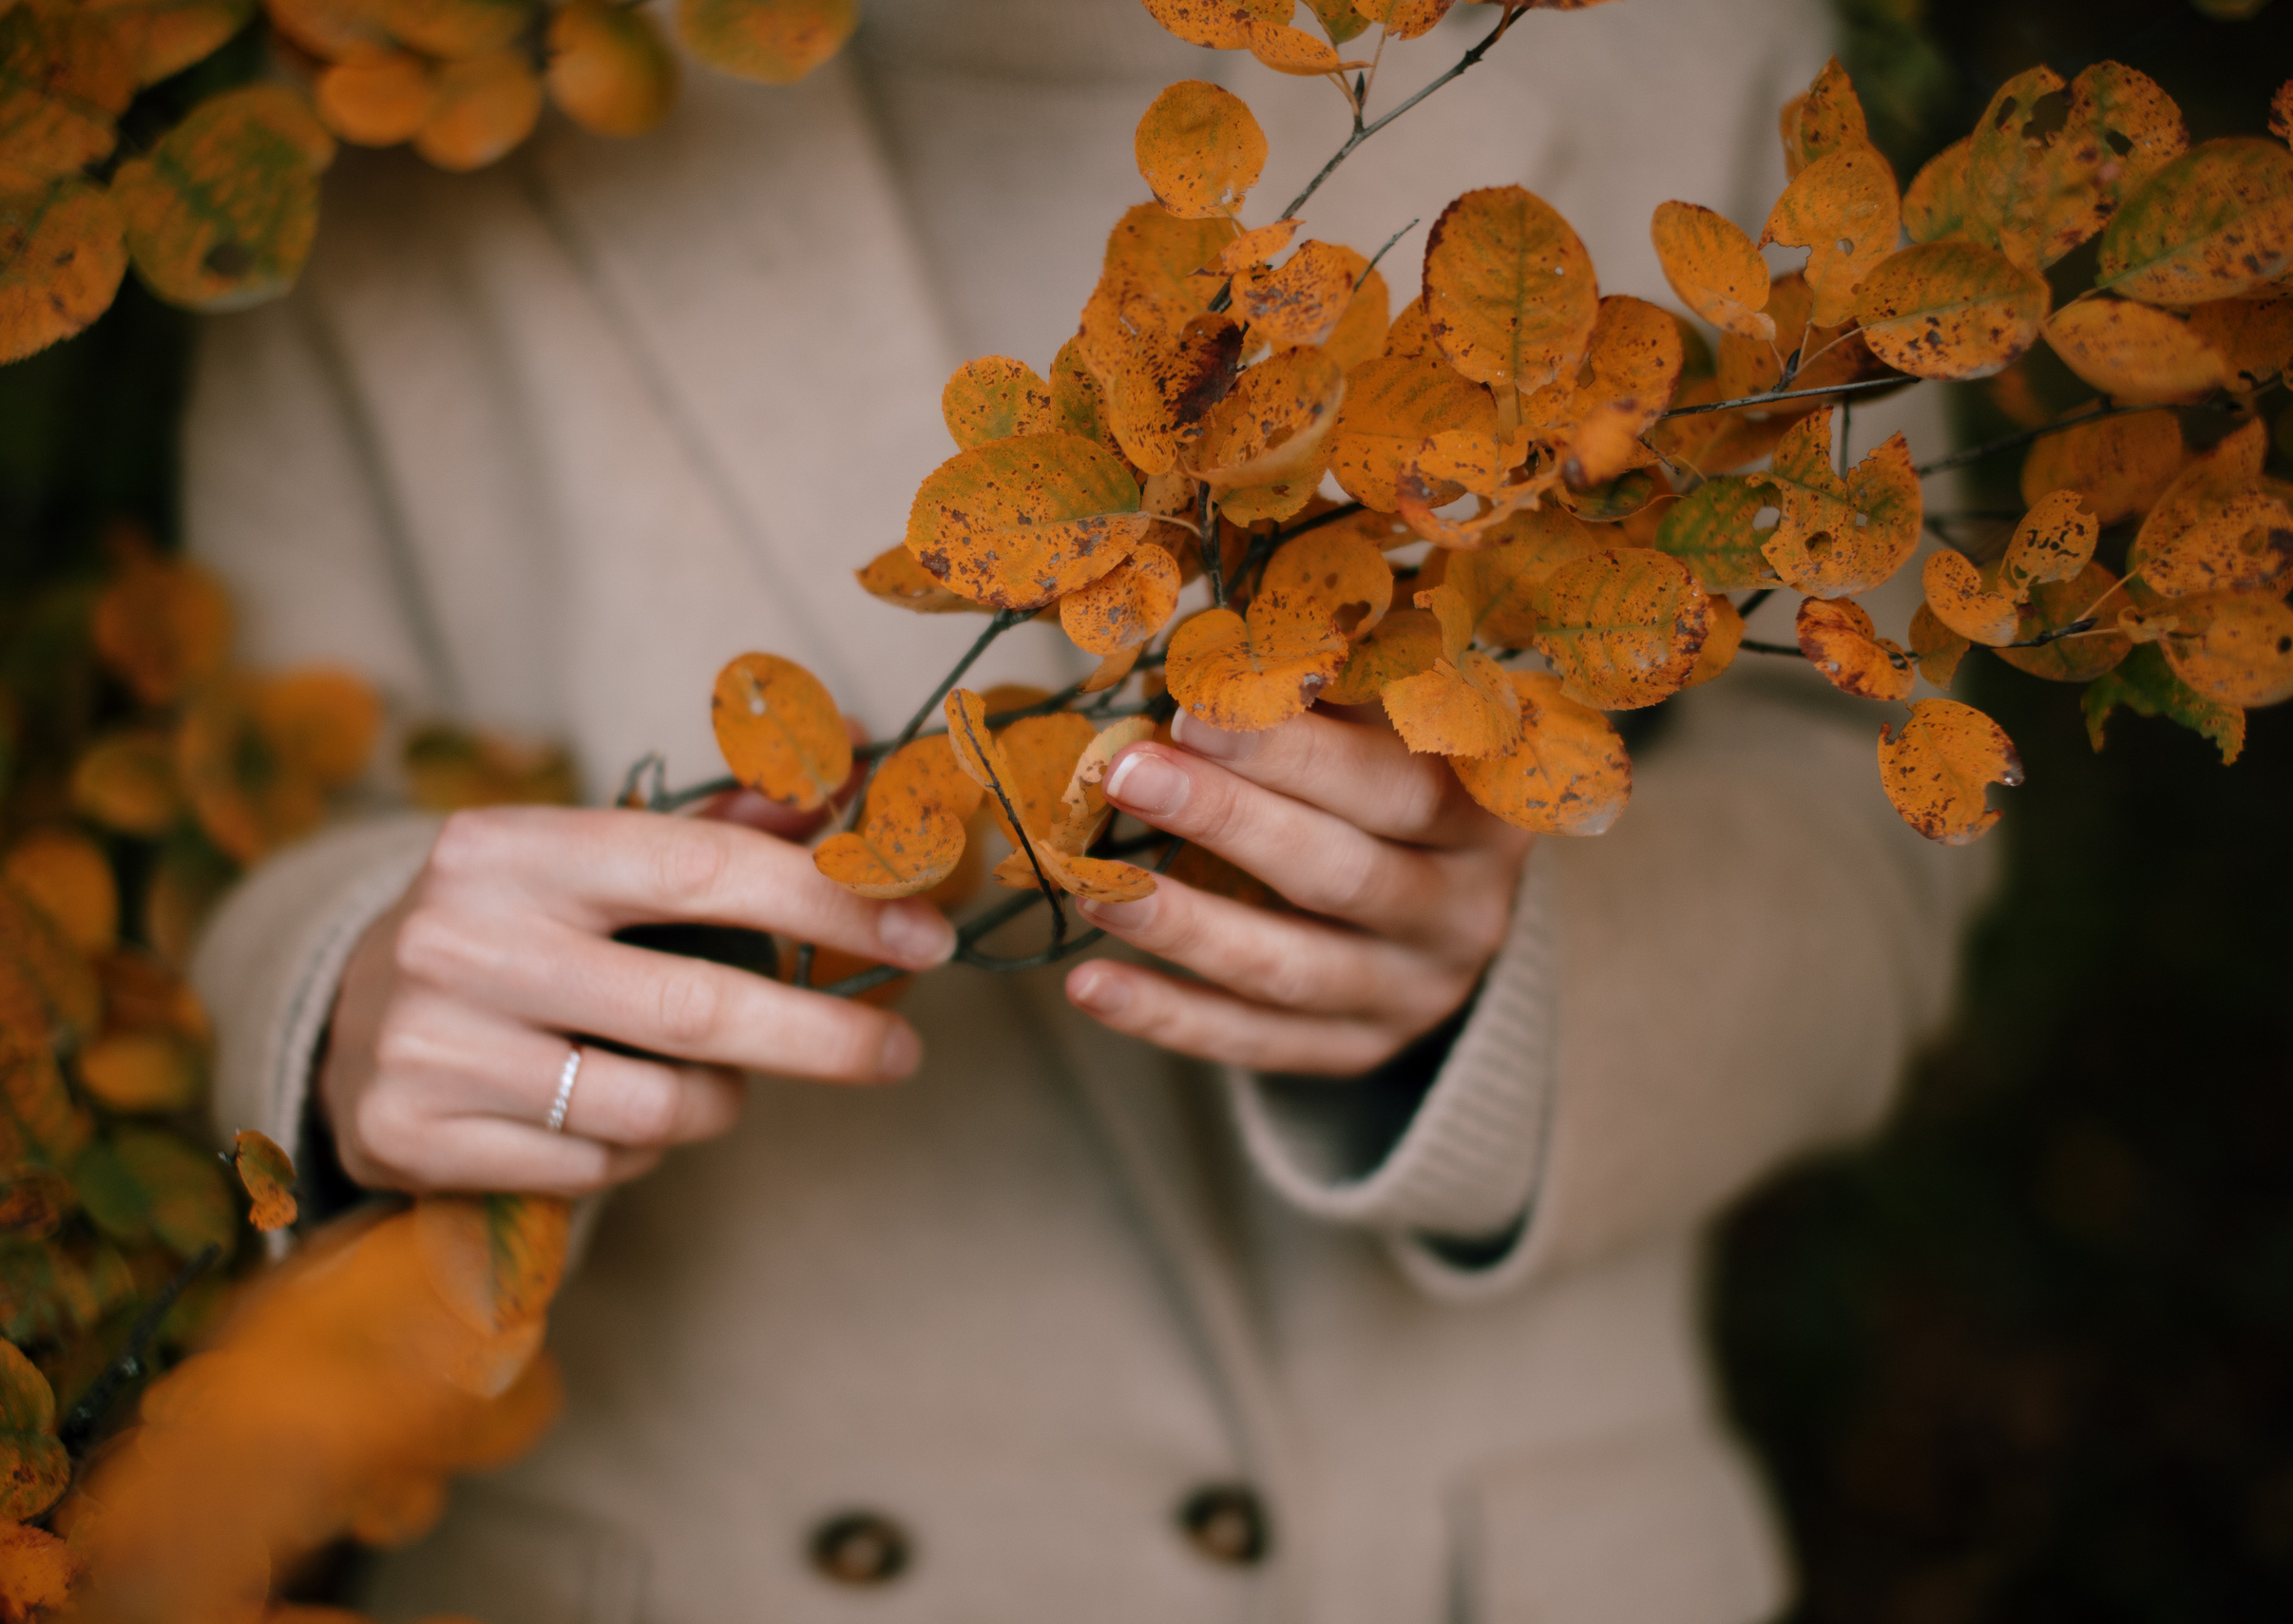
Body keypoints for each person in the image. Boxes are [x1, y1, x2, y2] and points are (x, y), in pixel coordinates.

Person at [188, 1, 1989, 1618]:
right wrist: (353, 999)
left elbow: (1877, 810)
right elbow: (257, 845)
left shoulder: (1660, 38)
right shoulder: (417, 77)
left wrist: (1504, 983)